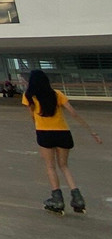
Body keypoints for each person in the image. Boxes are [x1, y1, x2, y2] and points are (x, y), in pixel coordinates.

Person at [21, 70, 101, 214]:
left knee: (50, 167)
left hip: (44, 133)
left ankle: (57, 199)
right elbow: (73, 113)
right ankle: (77, 198)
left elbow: (32, 117)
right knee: (64, 166)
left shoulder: (28, 97)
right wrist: (92, 132)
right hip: (63, 133)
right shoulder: (57, 94)